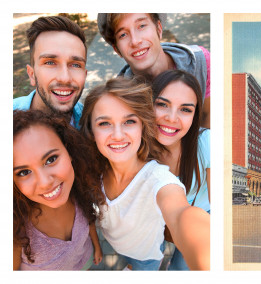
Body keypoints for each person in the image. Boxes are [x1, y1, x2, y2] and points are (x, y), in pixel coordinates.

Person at [79, 77, 210, 270]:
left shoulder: (158, 179)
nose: (117, 135)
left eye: (129, 121)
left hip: (146, 258)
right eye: (105, 123)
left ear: (143, 126)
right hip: (119, 247)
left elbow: (180, 213)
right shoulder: (93, 170)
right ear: (91, 130)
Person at [13, 110, 105, 270]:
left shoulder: (78, 190)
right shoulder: (15, 230)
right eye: (24, 172)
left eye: (51, 159)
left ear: (68, 152)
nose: (44, 183)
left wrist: (96, 245)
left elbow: (89, 220)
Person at [97, 13, 210, 128]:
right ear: (117, 50)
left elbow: (210, 117)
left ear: (159, 29)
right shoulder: (120, 96)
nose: (135, 41)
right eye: (123, 34)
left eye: (141, 26)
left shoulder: (200, 62)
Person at [152, 70, 210, 270]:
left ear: (195, 115)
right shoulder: (134, 147)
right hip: (156, 226)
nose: (171, 118)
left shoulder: (206, 142)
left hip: (202, 220)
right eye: (162, 104)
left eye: (185, 109)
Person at [13, 16, 88, 129]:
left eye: (76, 65)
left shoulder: (92, 125)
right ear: (32, 74)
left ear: (85, 75)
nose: (65, 78)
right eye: (50, 63)